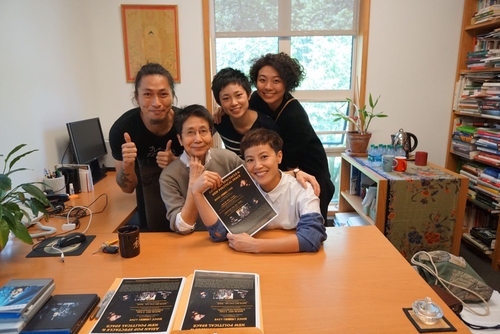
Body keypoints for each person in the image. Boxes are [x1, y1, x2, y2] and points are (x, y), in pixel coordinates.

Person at [159, 104, 319, 234]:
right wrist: (194, 183)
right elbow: (183, 227)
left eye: (203, 131)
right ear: (180, 139)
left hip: (231, 235)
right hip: (195, 241)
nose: (198, 139)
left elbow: (258, 173)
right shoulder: (169, 175)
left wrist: (295, 173)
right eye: (190, 133)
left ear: (211, 133)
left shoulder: (227, 158)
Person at [191, 128, 326, 253]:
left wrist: (255, 245)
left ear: (279, 157)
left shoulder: (302, 188)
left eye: (264, 157)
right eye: (250, 160)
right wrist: (197, 194)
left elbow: (311, 237)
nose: (258, 166)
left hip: (294, 261)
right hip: (252, 262)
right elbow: (219, 233)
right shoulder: (243, 187)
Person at [248, 53, 334, 223]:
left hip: (309, 175)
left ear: (287, 83)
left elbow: (292, 166)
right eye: (262, 80)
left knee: (310, 228)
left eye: (276, 81)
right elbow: (240, 110)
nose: (268, 87)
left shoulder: (295, 115)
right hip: (282, 169)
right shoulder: (256, 99)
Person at [109, 63, 183, 231]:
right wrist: (128, 164)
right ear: (137, 97)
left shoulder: (186, 124)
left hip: (186, 206)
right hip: (148, 209)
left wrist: (177, 164)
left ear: (172, 95)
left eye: (163, 94)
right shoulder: (122, 130)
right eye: (148, 94)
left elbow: (203, 175)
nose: (156, 103)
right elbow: (127, 189)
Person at [211, 67, 279, 158]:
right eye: (226, 98)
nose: (234, 103)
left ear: (249, 95)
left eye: (238, 95)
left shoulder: (267, 126)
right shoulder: (220, 121)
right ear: (220, 103)